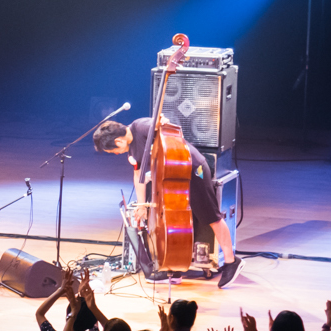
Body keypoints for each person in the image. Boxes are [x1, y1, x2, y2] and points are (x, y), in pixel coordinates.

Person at [93, 114, 238, 284]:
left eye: (113, 151)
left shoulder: (140, 126)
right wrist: (141, 205)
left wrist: (162, 123)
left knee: (210, 216)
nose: (116, 154)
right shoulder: (131, 149)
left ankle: (231, 262)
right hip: (172, 175)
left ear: (118, 141)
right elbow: (138, 174)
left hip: (193, 168)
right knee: (174, 220)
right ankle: (174, 267)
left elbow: (168, 130)